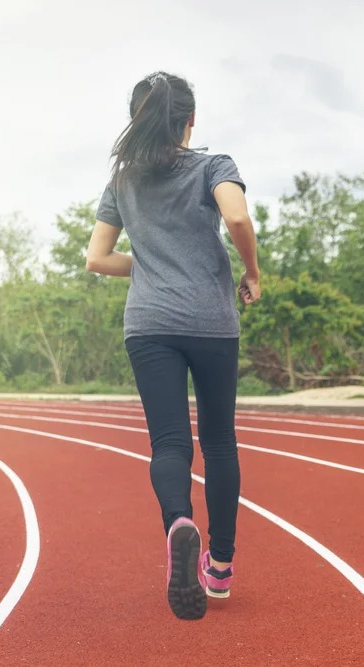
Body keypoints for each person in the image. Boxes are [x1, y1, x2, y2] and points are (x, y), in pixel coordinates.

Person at [85, 71, 261, 621]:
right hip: (211, 321)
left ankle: (178, 523)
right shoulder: (213, 165)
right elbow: (236, 214)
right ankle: (220, 568)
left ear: (137, 120)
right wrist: (252, 270)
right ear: (190, 119)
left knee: (169, 443)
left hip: (149, 324)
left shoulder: (122, 181)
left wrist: (151, 263)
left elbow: (97, 258)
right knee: (220, 441)